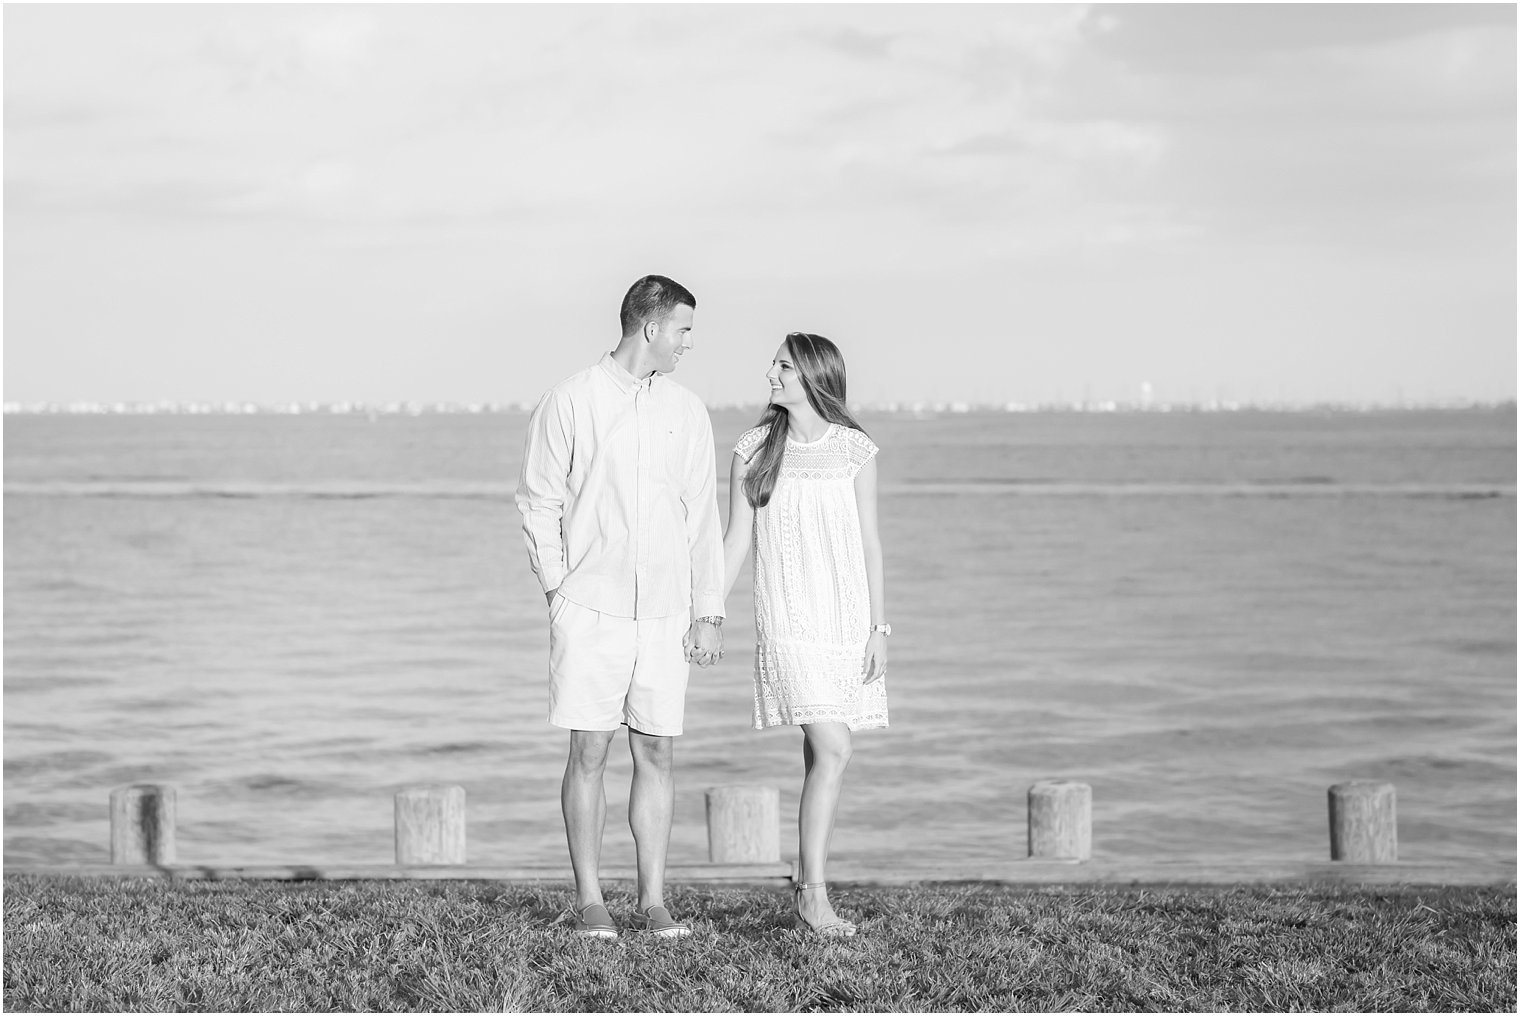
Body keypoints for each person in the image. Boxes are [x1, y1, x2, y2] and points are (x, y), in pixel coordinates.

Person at [516, 275, 725, 940]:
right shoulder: (571, 400)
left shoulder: (688, 410)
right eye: (684, 330)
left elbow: (702, 518)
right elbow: (538, 501)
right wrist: (558, 591)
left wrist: (708, 612)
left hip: (666, 612)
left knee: (658, 752)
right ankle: (589, 902)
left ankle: (654, 901)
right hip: (590, 608)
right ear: (651, 327)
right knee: (589, 752)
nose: (689, 343)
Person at [720, 331, 889, 937]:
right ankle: (812, 894)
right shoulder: (753, 448)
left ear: (813, 375)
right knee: (836, 748)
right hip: (788, 619)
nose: (770, 371)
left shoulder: (854, 450)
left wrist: (878, 628)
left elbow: (870, 544)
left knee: (825, 753)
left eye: (783, 365)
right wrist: (708, 609)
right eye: (773, 362)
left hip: (844, 622)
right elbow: (736, 540)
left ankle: (809, 883)